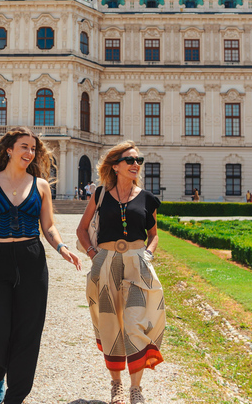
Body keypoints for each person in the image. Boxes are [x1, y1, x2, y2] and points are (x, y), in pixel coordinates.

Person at [0, 127, 81, 404]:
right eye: (24, 147)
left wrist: (61, 247)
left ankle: (15, 397)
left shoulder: (41, 185)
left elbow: (48, 226)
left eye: (33, 148)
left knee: (29, 332)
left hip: (31, 259)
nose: (29, 153)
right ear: (9, 149)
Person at [76, 140, 165, 404]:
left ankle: (135, 389)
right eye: (130, 160)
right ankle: (116, 386)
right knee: (110, 326)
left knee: (135, 322)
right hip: (106, 264)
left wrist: (148, 253)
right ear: (116, 166)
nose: (136, 164)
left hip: (138, 265)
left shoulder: (148, 199)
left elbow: (154, 235)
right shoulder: (100, 194)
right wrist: (94, 255)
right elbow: (82, 230)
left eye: (139, 160)